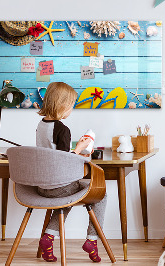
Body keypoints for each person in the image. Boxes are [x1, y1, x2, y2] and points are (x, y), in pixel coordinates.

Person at [36, 82, 106, 263]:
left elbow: (53, 154)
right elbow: (64, 161)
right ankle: (92, 240)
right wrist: (81, 148)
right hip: (59, 186)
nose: (72, 109)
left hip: (42, 186)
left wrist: (76, 149)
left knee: (66, 197)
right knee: (101, 194)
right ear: (62, 105)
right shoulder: (62, 129)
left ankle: (48, 238)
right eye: (71, 105)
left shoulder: (41, 125)